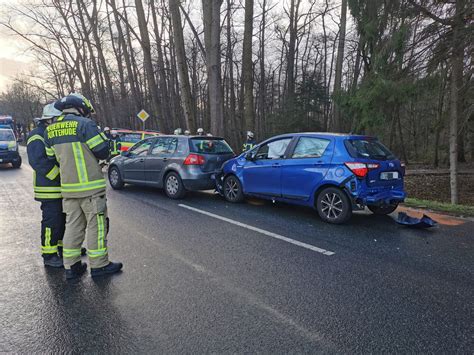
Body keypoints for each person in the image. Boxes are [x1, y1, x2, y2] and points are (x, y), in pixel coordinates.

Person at [44, 93, 123, 279]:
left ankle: (71, 266)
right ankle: (99, 265)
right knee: (97, 226)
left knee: (73, 227)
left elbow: (51, 158)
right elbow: (102, 151)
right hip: (91, 188)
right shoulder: (85, 125)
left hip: (69, 189)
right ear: (80, 108)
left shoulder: (50, 130)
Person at [26, 104, 64, 268]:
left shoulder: (50, 133)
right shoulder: (37, 135)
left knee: (63, 219)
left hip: (60, 187)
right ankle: (49, 254)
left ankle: (63, 248)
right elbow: (38, 162)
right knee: (51, 221)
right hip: (49, 189)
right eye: (57, 119)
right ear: (49, 119)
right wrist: (59, 176)